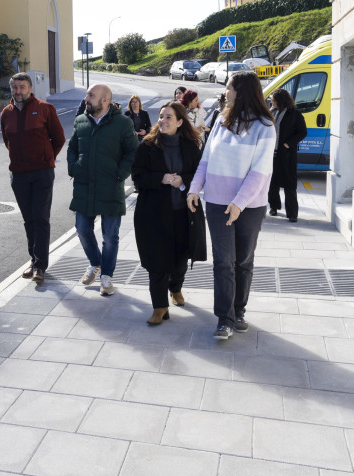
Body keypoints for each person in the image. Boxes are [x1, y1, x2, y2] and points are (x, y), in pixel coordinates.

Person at [187, 71, 275, 340]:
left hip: (250, 206)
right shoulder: (222, 121)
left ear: (242, 91)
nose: (225, 92)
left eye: (228, 87)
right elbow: (206, 160)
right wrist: (194, 188)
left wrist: (239, 203)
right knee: (223, 262)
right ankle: (224, 319)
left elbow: (260, 172)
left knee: (243, 261)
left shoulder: (264, 126)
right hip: (216, 202)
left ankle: (239, 310)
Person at [133, 102, 206, 324]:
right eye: (161, 117)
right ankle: (159, 307)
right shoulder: (147, 145)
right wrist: (161, 179)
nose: (163, 121)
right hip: (154, 215)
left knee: (180, 260)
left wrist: (183, 179)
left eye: (168, 118)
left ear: (180, 122)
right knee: (157, 261)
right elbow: (137, 176)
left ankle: (175, 288)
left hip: (183, 214)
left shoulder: (192, 146)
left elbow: (199, 174)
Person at [68, 84, 139, 295]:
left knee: (110, 236)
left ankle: (106, 278)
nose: (86, 98)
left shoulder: (122, 123)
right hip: (84, 187)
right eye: (87, 94)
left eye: (91, 95)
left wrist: (119, 174)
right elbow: (72, 147)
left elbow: (133, 152)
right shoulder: (80, 120)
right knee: (82, 229)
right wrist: (74, 167)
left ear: (105, 100)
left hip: (110, 188)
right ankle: (95, 263)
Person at [1, 72, 66, 283]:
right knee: (28, 219)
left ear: (30, 89)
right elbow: (7, 140)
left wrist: (47, 158)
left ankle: (40, 266)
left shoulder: (45, 109)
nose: (18, 91)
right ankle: (33, 259)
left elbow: (59, 138)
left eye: (22, 87)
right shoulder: (6, 113)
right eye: (14, 87)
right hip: (18, 174)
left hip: (42, 173)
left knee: (40, 217)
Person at [268, 88, 307, 222]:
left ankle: (292, 213)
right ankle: (274, 206)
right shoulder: (271, 112)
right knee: (272, 183)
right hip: (271, 154)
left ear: (280, 100)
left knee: (289, 184)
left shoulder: (294, 114)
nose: (271, 102)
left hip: (286, 154)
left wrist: (288, 144)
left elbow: (302, 132)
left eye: (273, 100)